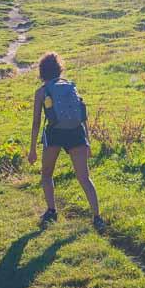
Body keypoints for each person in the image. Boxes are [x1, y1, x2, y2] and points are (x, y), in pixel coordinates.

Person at [27, 52, 104, 230]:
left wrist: (32, 149)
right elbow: (83, 115)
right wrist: (88, 140)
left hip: (54, 133)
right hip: (76, 133)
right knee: (85, 178)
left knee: (46, 175)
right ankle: (97, 217)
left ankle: (52, 211)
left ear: (42, 71)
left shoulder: (41, 92)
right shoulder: (70, 87)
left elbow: (36, 122)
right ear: (59, 69)